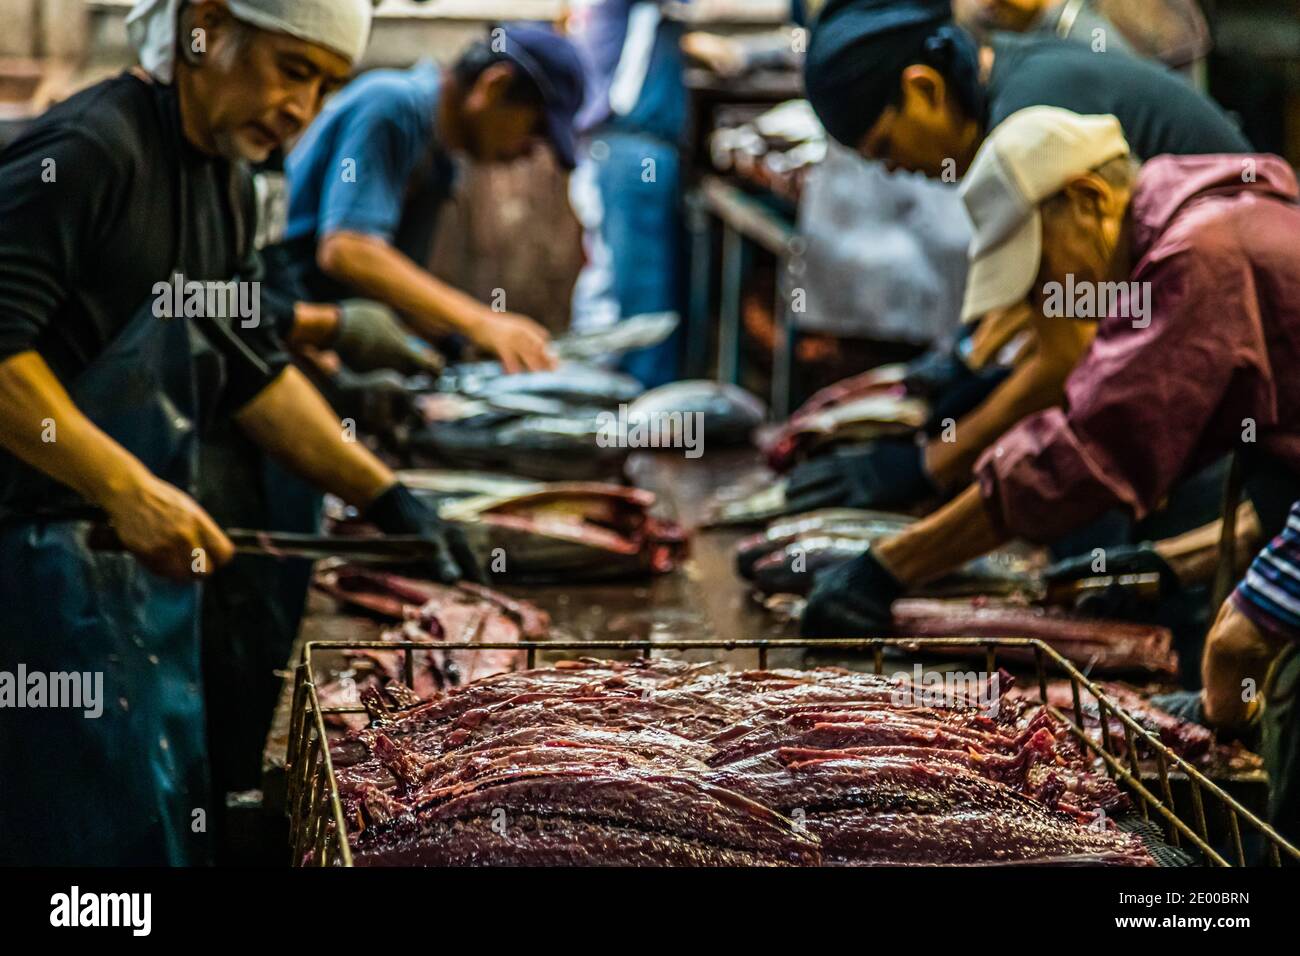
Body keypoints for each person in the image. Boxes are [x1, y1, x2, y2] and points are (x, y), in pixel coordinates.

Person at [0, 0, 476, 865]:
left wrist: (389, 497)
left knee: (145, 824)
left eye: (325, 84)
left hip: (113, 578)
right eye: (292, 70)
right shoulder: (91, 153)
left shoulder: (226, 179)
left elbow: (254, 373)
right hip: (24, 574)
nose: (303, 107)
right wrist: (124, 486)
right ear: (207, 26)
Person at [801, 107, 1300, 639]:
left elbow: (1086, 452)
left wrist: (887, 567)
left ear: (1087, 200)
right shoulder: (1206, 203)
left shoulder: (1201, 253)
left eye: (1040, 273)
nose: (1044, 301)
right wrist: (1167, 565)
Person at [787, 0, 1250, 514]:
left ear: (924, 88)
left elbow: (1066, 359)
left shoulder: (1030, 128)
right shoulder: (1012, 72)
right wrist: (961, 365)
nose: (894, 171)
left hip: (1236, 388)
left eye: (884, 149)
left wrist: (929, 466)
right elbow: (1053, 299)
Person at [263, 23, 586, 375]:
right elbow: (346, 250)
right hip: (269, 327)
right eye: (535, 129)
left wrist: (454, 342)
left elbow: (391, 289)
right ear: (494, 86)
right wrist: (481, 322)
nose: (528, 151)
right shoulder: (392, 105)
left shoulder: (440, 159)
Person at [566, 1, 690, 387]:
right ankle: (637, 405)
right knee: (640, 294)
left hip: (614, 146)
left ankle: (611, 397)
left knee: (612, 281)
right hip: (630, 144)